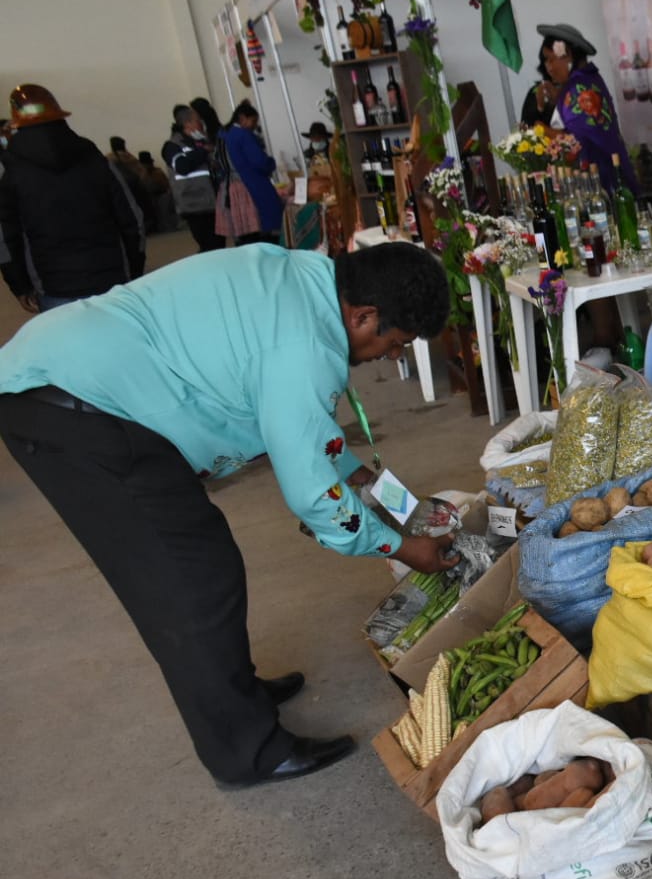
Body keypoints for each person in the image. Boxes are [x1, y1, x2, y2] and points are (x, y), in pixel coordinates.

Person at [0, 243, 458, 788]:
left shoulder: (305, 281)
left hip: (74, 371)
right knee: (188, 580)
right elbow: (312, 495)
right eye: (394, 342)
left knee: (203, 563)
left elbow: (293, 420)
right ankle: (248, 752)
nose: (390, 355)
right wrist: (404, 548)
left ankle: (233, 692)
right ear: (363, 315)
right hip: (76, 407)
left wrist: (355, 472)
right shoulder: (304, 346)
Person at [0, 84, 145, 313]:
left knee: (67, 337)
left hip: (53, 286)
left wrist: (20, 285)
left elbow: (7, 239)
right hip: (111, 278)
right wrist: (135, 268)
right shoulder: (95, 158)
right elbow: (132, 219)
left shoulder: (11, 173)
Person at [528, 23, 639, 193]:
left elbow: (575, 142)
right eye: (545, 60)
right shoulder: (588, 80)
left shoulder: (578, 89)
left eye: (551, 59)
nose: (548, 67)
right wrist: (557, 100)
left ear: (568, 56)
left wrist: (542, 130)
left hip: (601, 179)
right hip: (612, 170)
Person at [217, 100, 282, 245]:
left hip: (230, 186)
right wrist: (271, 163)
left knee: (244, 229)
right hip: (250, 183)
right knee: (262, 224)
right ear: (242, 118)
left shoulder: (223, 135)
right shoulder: (243, 135)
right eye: (252, 121)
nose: (254, 125)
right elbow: (259, 161)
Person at [163, 106, 225, 252]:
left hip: (212, 202)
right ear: (187, 123)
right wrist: (203, 151)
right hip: (194, 205)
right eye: (198, 121)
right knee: (209, 246)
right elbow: (182, 166)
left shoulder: (201, 142)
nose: (201, 124)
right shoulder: (172, 146)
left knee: (219, 245)